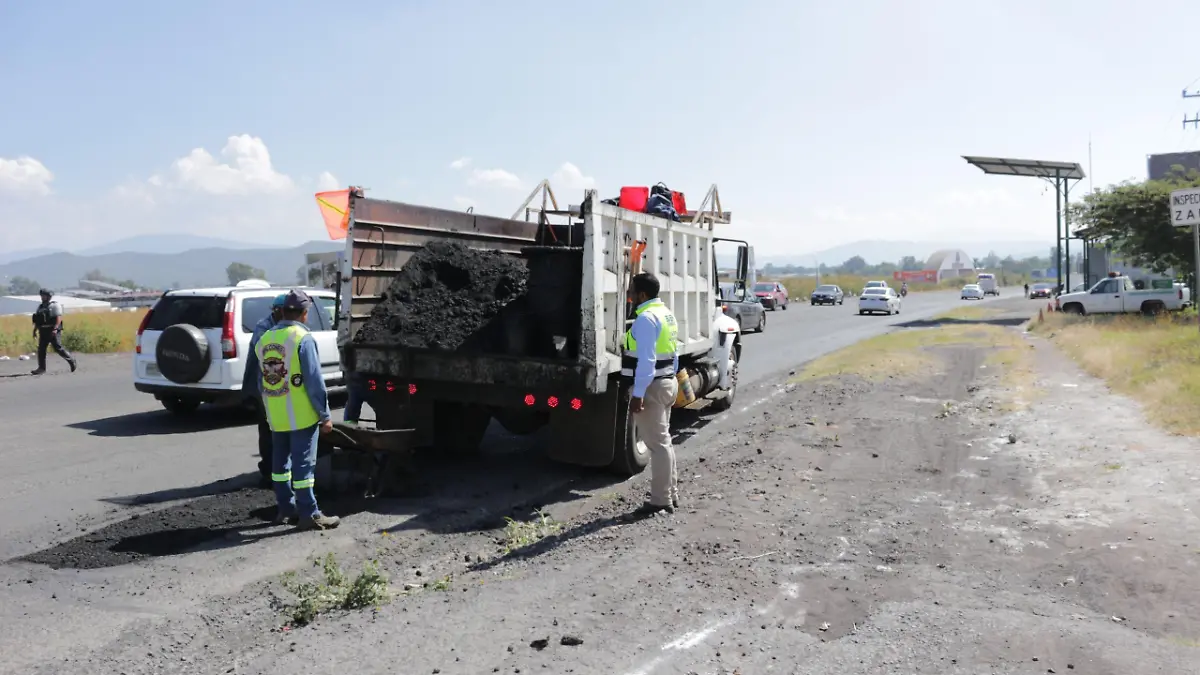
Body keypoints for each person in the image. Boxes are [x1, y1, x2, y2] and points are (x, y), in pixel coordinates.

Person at [255, 290, 340, 530]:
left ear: (282, 311)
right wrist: (324, 415)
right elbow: (314, 382)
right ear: (304, 313)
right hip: (301, 415)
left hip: (276, 414)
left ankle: (285, 509)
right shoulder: (302, 338)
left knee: (280, 466)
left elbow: (262, 380)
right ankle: (309, 513)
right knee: (304, 467)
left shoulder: (264, 339)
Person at [623, 272, 680, 516]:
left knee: (657, 446)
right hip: (667, 382)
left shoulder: (646, 319)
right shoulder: (666, 314)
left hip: (652, 387)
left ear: (642, 295)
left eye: (631, 291)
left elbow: (646, 361)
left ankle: (660, 501)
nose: (629, 295)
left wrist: (638, 394)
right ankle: (670, 494)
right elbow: (674, 353)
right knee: (664, 442)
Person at [244, 293, 287, 486]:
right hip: (265, 388)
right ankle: (270, 470)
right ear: (277, 311)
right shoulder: (265, 329)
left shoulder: (282, 326)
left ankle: (276, 468)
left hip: (275, 386)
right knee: (269, 429)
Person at [30, 289, 77, 375]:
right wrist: (35, 330)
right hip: (43, 330)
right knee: (41, 349)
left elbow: (58, 318)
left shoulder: (54, 305)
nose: (42, 297)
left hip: (52, 330)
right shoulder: (40, 307)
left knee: (57, 347)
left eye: (44, 295)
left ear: (49, 296)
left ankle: (71, 360)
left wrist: (55, 329)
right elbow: (37, 320)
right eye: (42, 295)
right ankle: (41, 368)